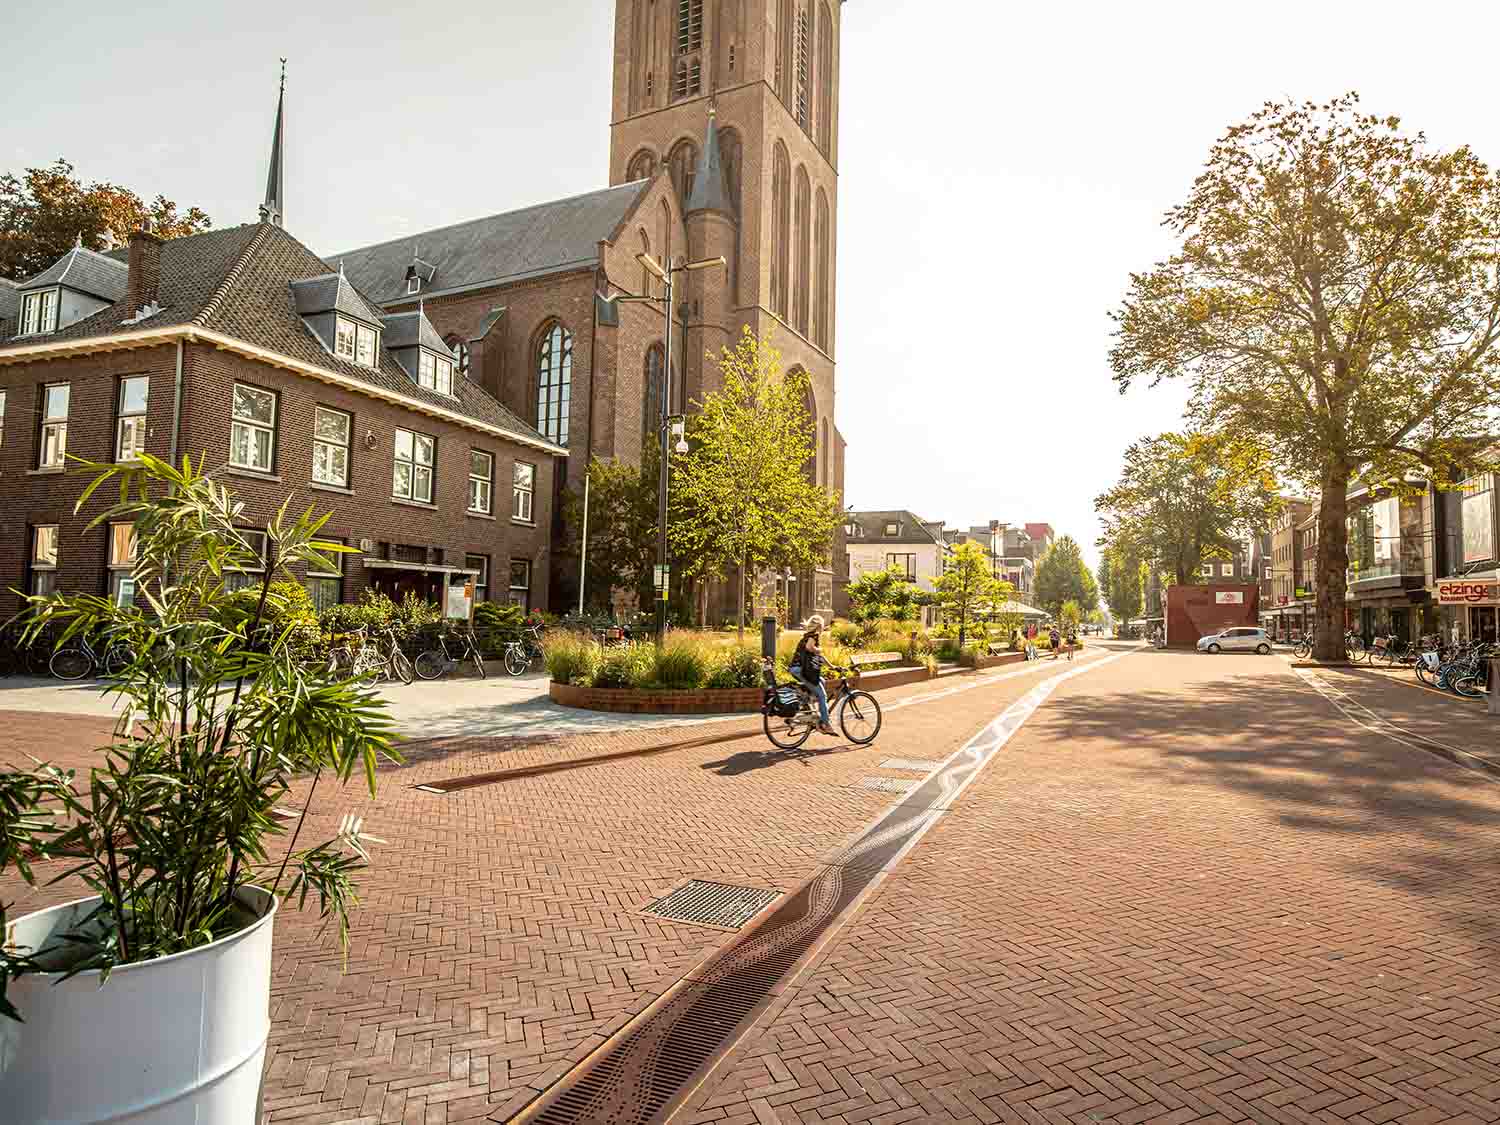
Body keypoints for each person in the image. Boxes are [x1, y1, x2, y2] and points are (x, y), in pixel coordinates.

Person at [789, 615, 837, 736]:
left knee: (821, 681)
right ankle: (825, 724)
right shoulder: (813, 635)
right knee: (822, 695)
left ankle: (810, 707)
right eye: (822, 626)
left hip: (796, 669)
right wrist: (817, 650)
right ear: (819, 626)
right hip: (800, 670)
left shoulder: (807, 636)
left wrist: (832, 666)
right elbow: (809, 647)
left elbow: (818, 656)